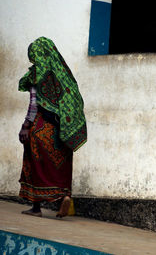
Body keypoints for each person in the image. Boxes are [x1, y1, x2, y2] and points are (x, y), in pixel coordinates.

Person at [18, 37, 87, 218]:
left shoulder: (37, 74)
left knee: (35, 163)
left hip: (42, 129)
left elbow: (34, 105)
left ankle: (35, 207)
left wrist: (26, 126)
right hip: (63, 130)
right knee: (61, 165)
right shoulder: (63, 73)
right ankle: (64, 195)